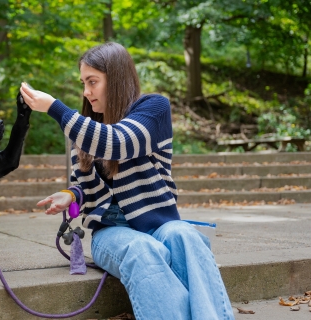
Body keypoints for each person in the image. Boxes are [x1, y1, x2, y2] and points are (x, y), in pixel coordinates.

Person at [19, 42, 234, 320]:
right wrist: (70, 195)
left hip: (159, 224)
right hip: (111, 233)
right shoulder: (85, 128)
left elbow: (118, 142)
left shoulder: (154, 109)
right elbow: (84, 185)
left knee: (186, 237)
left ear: (117, 77)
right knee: (143, 249)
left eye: (92, 81)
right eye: (84, 83)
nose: (86, 91)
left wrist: (54, 108)